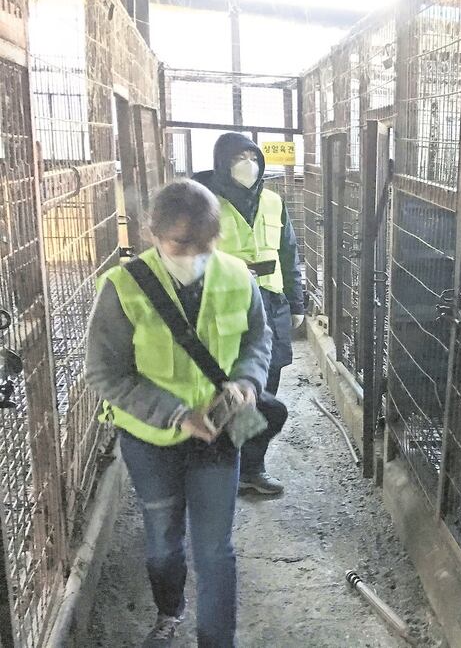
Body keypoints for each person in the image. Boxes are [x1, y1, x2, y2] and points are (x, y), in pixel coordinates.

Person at [85, 180, 271, 647]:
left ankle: (216, 640)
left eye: (205, 245)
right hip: (151, 440)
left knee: (215, 551)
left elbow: (257, 340)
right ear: (152, 233)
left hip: (218, 436)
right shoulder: (123, 289)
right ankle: (170, 610)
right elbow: (105, 374)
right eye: (181, 245)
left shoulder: (236, 276)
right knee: (164, 544)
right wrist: (175, 414)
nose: (194, 255)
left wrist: (247, 383)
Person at [194, 133, 304, 495]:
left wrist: (297, 303)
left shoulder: (273, 201)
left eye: (252, 156)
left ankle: (251, 468)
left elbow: (288, 253)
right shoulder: (206, 201)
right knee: (225, 387)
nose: (248, 164)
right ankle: (221, 461)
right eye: (238, 157)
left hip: (271, 305)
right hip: (224, 305)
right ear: (223, 162)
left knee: (265, 387)